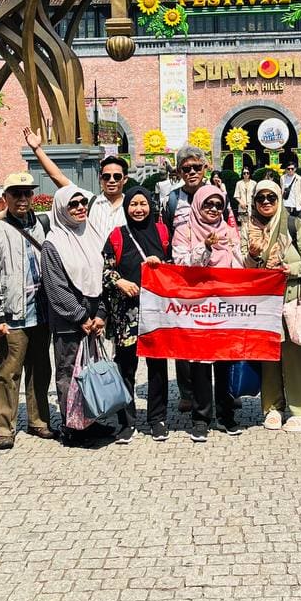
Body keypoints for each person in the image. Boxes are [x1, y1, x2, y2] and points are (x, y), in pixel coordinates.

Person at [242, 179, 301, 431]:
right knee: (269, 356)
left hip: (294, 297)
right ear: (254, 202)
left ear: (279, 199)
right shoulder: (247, 229)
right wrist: (253, 255)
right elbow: (243, 268)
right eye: (260, 198)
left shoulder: (294, 225)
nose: (266, 202)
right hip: (265, 302)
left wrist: (292, 269)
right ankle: (272, 407)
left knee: (298, 355)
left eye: (271, 197)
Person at [0, 171, 54, 449]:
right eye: (16, 193)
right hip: (13, 313)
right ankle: (4, 426)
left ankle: (39, 420)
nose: (23, 198)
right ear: (6, 197)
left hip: (41, 310)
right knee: (8, 371)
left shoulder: (41, 226)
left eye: (27, 193)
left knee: (40, 369)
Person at [164, 144, 236, 412]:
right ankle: (188, 392)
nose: (192, 172)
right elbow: (167, 234)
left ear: (205, 168)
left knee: (222, 333)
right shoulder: (172, 200)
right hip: (187, 277)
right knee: (186, 337)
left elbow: (231, 228)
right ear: (179, 171)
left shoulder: (218, 195)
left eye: (197, 167)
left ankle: (226, 392)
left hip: (219, 277)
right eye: (186, 168)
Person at [40, 185, 109, 446]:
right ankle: (73, 427)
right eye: (73, 204)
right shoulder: (53, 243)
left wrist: (100, 312)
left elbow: (102, 276)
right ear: (61, 209)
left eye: (83, 203)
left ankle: (91, 420)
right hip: (70, 322)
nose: (81, 207)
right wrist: (81, 317)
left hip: (93, 320)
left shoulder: (91, 234)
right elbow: (56, 288)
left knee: (91, 370)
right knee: (70, 372)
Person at [172, 185, 243, 439]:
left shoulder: (229, 230)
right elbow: (181, 265)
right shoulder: (184, 230)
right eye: (208, 204)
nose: (213, 209)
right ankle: (201, 417)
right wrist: (205, 247)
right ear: (198, 204)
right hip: (197, 304)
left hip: (224, 303)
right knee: (199, 363)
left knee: (225, 360)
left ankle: (226, 414)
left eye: (218, 205)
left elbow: (239, 264)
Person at [103, 187, 172, 442]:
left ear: (150, 206)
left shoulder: (162, 233)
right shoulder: (117, 235)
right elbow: (105, 270)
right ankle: (126, 421)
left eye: (143, 204)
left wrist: (161, 266)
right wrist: (119, 281)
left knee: (157, 366)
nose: (139, 209)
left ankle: (157, 419)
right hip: (126, 314)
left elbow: (176, 267)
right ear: (126, 208)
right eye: (133, 204)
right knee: (126, 367)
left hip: (156, 311)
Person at [23, 128, 129, 248]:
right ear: (100, 178)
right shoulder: (89, 202)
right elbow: (58, 177)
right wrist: (37, 149)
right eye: (106, 176)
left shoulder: (132, 207)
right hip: (94, 259)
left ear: (125, 179)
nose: (111, 180)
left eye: (117, 176)